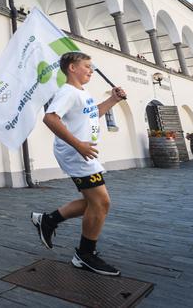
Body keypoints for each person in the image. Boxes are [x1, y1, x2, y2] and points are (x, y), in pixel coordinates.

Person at [32, 51, 127, 277]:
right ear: (72, 68)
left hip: (84, 152)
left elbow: (94, 114)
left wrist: (113, 100)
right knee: (102, 203)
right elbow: (50, 118)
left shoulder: (82, 92)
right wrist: (78, 145)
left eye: (92, 66)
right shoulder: (67, 92)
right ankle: (85, 255)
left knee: (93, 203)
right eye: (87, 66)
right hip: (77, 154)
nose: (91, 70)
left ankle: (47, 220)